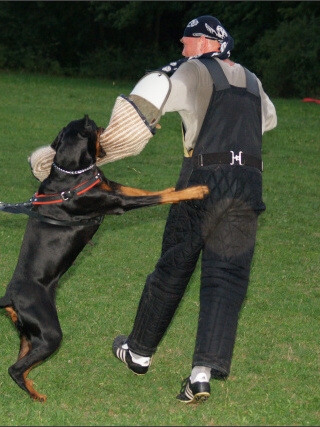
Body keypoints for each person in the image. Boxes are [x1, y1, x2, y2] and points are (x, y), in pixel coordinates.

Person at [112, 15, 277, 403]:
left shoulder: (194, 71)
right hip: (248, 182)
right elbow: (268, 121)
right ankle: (201, 373)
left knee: (174, 264)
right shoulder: (254, 81)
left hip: (204, 179)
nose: (183, 49)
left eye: (187, 42)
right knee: (227, 278)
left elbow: (154, 101)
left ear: (204, 43)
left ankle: (138, 352)